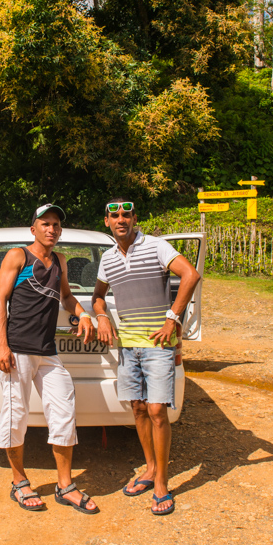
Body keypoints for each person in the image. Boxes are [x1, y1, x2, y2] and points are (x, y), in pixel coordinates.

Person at [91, 199, 200, 516]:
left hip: (158, 343)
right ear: (107, 222)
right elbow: (98, 296)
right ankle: (150, 468)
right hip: (128, 345)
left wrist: (172, 318)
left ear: (135, 219)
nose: (121, 219)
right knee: (138, 408)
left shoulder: (156, 246)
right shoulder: (108, 259)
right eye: (115, 215)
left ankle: (162, 483)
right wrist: (101, 317)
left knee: (156, 411)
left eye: (127, 214)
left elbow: (190, 275)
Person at [0, 203, 98, 514]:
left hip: (48, 350)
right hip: (18, 349)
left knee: (64, 411)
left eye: (56, 224)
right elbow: (0, 299)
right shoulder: (18, 256)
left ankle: (65, 486)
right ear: (34, 229)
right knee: (16, 415)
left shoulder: (60, 261)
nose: (52, 229)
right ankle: (19, 482)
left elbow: (65, 297)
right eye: (46, 223)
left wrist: (84, 314)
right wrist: (1, 345)